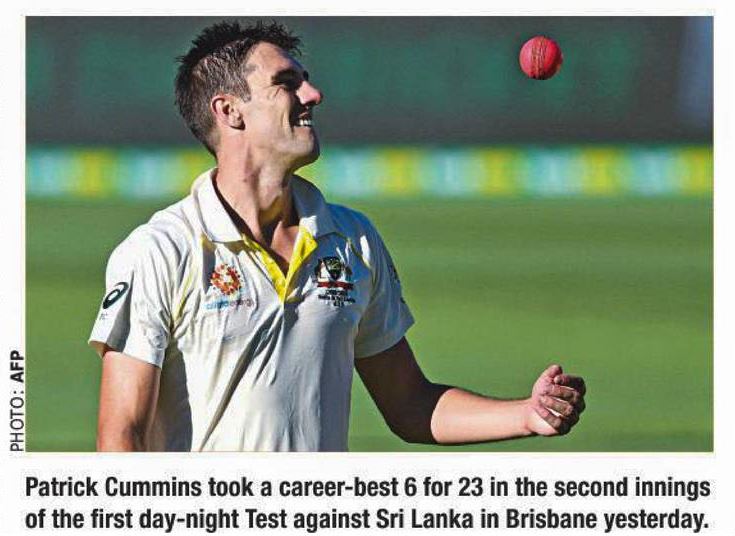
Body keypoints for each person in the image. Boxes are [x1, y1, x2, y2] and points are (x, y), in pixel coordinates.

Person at [89, 20, 586, 452]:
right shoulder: (162, 250)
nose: (313, 95)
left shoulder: (352, 239)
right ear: (230, 111)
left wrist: (526, 414)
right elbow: (121, 436)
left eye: (305, 81)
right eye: (287, 84)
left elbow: (410, 404)